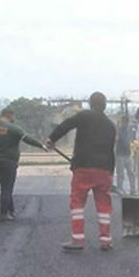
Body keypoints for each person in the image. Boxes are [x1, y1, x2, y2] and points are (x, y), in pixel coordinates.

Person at [45, 92, 116, 251]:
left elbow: (66, 125)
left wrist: (51, 139)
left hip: (84, 166)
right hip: (104, 169)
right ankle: (106, 240)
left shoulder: (84, 116)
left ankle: (78, 239)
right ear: (104, 105)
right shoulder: (110, 125)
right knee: (104, 205)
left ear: (91, 104)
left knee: (77, 202)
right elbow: (111, 150)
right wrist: (111, 171)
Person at [0, 108, 45, 222]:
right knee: (7, 187)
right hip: (9, 162)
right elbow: (27, 139)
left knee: (5, 186)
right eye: (13, 116)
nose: (14, 118)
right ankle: (3, 214)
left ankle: (11, 211)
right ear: (9, 115)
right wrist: (41, 146)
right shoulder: (14, 129)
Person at [115, 115, 136, 195]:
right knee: (121, 173)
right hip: (120, 155)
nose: (126, 123)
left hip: (128, 154)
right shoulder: (119, 131)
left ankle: (133, 189)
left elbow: (131, 140)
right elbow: (116, 139)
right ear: (122, 122)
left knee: (131, 173)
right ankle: (120, 188)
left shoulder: (129, 131)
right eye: (124, 122)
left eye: (127, 122)